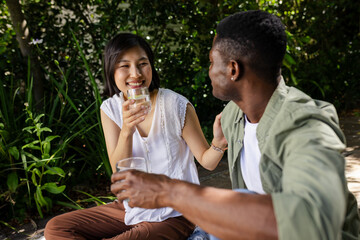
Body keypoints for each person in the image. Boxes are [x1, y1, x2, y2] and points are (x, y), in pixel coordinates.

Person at [110, 10, 360, 240]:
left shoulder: (308, 124)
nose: (209, 71)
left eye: (211, 62)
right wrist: (217, 145)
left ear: (233, 69)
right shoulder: (233, 116)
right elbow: (210, 161)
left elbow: (314, 223)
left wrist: (170, 191)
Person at [44, 33, 228, 240]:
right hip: (131, 208)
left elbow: (207, 161)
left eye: (143, 64)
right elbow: (118, 171)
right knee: (57, 227)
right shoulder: (110, 109)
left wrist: (218, 143)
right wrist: (127, 130)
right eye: (125, 66)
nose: (136, 73)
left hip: (176, 213)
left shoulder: (175, 105)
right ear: (112, 71)